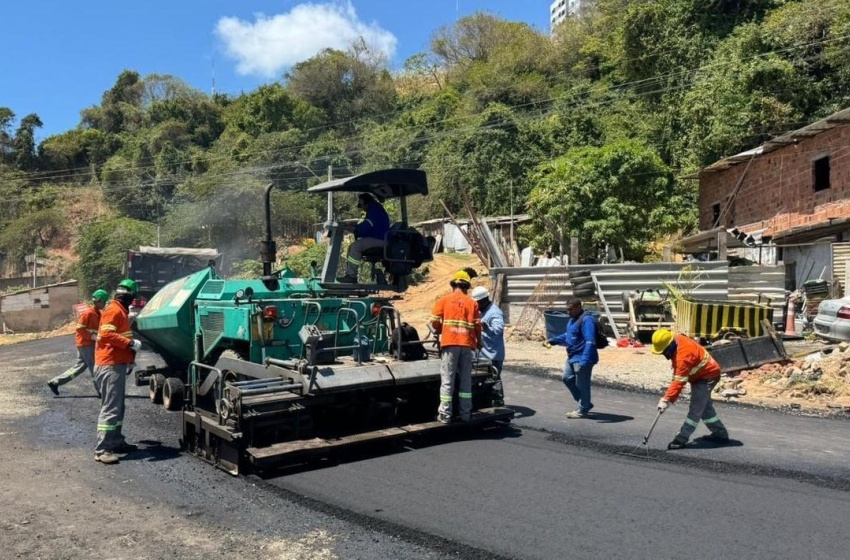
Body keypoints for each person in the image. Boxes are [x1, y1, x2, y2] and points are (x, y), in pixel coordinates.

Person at [652, 328, 730, 450]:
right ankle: (720, 434)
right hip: (700, 375)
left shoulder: (683, 356)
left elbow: (678, 382)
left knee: (696, 409)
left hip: (707, 376)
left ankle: (681, 438)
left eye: (664, 351)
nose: (663, 354)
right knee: (705, 408)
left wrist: (666, 400)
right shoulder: (675, 339)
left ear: (670, 346)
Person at [93, 279, 143, 464]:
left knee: (118, 406)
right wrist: (129, 343)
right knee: (111, 407)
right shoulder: (114, 310)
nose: (132, 301)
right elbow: (107, 334)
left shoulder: (120, 310)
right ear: (128, 295)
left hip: (116, 363)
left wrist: (129, 360)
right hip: (109, 364)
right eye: (132, 297)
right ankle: (102, 449)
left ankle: (115, 442)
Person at [430, 270, 482, 423]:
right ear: (466, 287)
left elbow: (434, 321)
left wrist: (441, 330)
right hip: (466, 345)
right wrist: (479, 342)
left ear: (453, 285)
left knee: (447, 380)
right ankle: (465, 414)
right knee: (466, 380)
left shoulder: (444, 300)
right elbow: (478, 326)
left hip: (450, 343)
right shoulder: (472, 303)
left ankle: (445, 415)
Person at [47, 289, 109, 397]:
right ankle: (101, 391)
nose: (104, 304)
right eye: (104, 301)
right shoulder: (88, 313)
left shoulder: (98, 313)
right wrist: (93, 337)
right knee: (94, 367)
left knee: (79, 367)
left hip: (86, 344)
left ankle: (55, 382)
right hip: (86, 344)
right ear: (98, 301)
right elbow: (79, 329)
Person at [545, 296, 599, 418]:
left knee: (582, 384)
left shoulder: (587, 320)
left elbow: (590, 341)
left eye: (571, 309)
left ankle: (582, 410)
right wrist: (552, 341)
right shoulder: (572, 320)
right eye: (567, 310)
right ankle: (585, 403)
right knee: (567, 378)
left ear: (579, 307)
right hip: (572, 356)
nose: (568, 312)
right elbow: (568, 335)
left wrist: (584, 361)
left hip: (583, 358)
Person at [337, 193, 390, 283]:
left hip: (380, 239)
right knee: (351, 247)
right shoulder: (374, 209)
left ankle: (351, 276)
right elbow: (368, 227)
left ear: (365, 203)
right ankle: (349, 274)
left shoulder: (374, 209)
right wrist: (355, 227)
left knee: (356, 247)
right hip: (377, 237)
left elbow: (366, 227)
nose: (362, 208)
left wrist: (355, 229)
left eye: (361, 205)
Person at [471, 285, 505, 406]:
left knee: (494, 379)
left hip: (492, 355)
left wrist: (486, 327)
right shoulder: (481, 311)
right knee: (482, 380)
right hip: (481, 353)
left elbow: (498, 330)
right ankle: (485, 401)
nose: (476, 305)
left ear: (484, 300)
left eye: (478, 303)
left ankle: (498, 403)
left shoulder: (494, 313)